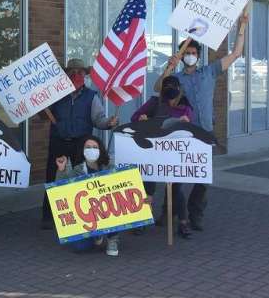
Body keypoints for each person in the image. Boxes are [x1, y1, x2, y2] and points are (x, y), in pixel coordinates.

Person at [155, 15, 248, 231]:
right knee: (176, 178)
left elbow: (235, 54)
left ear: (198, 56)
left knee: (202, 180)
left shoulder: (209, 72)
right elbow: (158, 88)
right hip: (183, 134)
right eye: (186, 53)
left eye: (193, 53)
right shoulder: (176, 78)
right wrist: (168, 68)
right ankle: (169, 213)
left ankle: (195, 214)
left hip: (205, 133)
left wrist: (241, 28)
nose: (190, 56)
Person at [42, 58, 117, 228]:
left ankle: (78, 216)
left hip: (81, 143)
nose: (76, 75)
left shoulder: (91, 96)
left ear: (85, 75)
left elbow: (98, 119)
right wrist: (39, 106)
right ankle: (48, 216)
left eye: (80, 72)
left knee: (80, 180)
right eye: (72, 72)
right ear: (66, 74)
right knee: (53, 178)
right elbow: (43, 116)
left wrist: (109, 123)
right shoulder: (55, 94)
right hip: (58, 141)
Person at [131, 75, 195, 239]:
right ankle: (143, 219)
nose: (170, 99)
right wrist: (142, 118)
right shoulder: (155, 102)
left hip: (174, 154)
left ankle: (183, 222)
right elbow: (135, 117)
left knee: (176, 188)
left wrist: (186, 122)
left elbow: (191, 128)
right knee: (147, 186)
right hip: (153, 151)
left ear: (179, 90)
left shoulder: (186, 106)